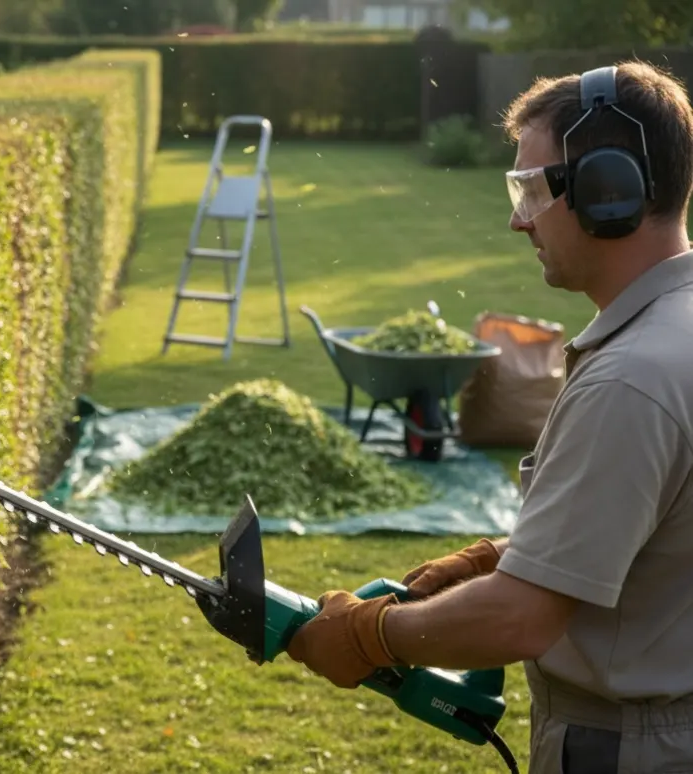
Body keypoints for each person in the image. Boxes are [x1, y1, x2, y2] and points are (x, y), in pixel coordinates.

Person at [284, 60, 693, 772]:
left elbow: (520, 618)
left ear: (607, 193)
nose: (516, 218)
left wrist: (366, 636)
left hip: (632, 748)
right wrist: (500, 557)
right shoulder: (672, 333)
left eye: (532, 189)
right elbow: (645, 529)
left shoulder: (631, 381)